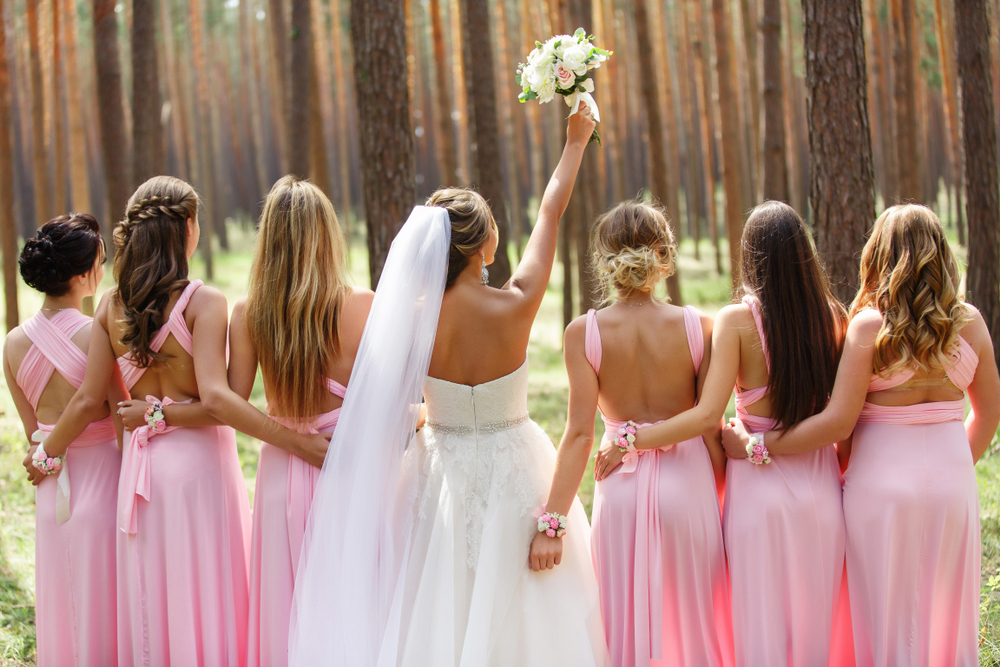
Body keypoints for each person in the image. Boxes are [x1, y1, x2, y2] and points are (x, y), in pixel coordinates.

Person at [289, 106, 608, 666]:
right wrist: (575, 141)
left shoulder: (410, 319)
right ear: (485, 243)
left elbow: (387, 406)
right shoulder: (516, 304)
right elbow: (551, 208)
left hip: (438, 474)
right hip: (516, 467)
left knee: (437, 610)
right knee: (527, 615)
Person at [43, 176, 327, 666]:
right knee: (208, 593)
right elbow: (219, 399)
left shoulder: (109, 305)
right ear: (188, 229)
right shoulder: (203, 301)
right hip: (199, 471)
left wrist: (51, 452)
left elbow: (93, 399)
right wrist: (298, 444)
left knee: (150, 598)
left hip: (140, 474)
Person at [724, 204, 1000, 666]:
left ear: (880, 255)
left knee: (884, 614)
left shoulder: (869, 326)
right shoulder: (969, 322)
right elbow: (988, 417)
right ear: (943, 256)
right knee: (946, 608)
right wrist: (948, 469)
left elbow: (838, 424)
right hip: (955, 488)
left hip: (880, 489)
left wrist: (758, 445)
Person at [628, 202, 853, 666]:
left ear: (751, 256)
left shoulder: (736, 321)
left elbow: (709, 414)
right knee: (816, 624)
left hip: (755, 486)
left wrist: (633, 439)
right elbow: (840, 418)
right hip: (820, 484)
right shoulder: (834, 317)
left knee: (758, 623)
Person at [534, 200, 733, 667]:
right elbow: (709, 428)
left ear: (605, 259)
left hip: (619, 487)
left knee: (622, 623)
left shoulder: (583, 332)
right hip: (689, 488)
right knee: (694, 620)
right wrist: (723, 492)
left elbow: (580, 434)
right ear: (664, 255)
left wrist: (552, 523)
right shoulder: (699, 327)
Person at [229, 176, 373, 667]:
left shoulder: (249, 313)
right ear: (328, 234)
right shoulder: (364, 306)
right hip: (350, 467)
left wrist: (290, 440)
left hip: (279, 473)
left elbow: (229, 403)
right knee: (353, 597)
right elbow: (396, 403)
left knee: (283, 607)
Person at [6, 214, 124, 666]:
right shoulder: (96, 331)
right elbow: (117, 413)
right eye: (100, 260)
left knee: (64, 597)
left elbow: (31, 429)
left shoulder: (12, 343)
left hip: (51, 482)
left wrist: (47, 453)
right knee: (107, 597)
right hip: (103, 476)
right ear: (81, 274)